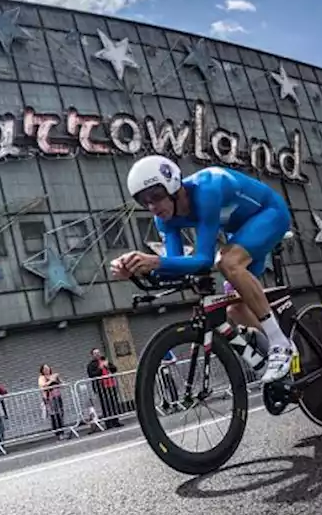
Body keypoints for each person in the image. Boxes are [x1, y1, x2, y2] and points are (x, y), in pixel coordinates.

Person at [112, 156, 295, 384]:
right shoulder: (165, 221)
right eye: (144, 202)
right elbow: (176, 267)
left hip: (271, 214)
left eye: (156, 197)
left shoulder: (207, 189)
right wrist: (136, 270)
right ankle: (283, 343)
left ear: (173, 187)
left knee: (227, 263)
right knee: (235, 309)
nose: (152, 207)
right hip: (240, 232)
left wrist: (155, 262)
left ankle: (280, 344)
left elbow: (203, 260)